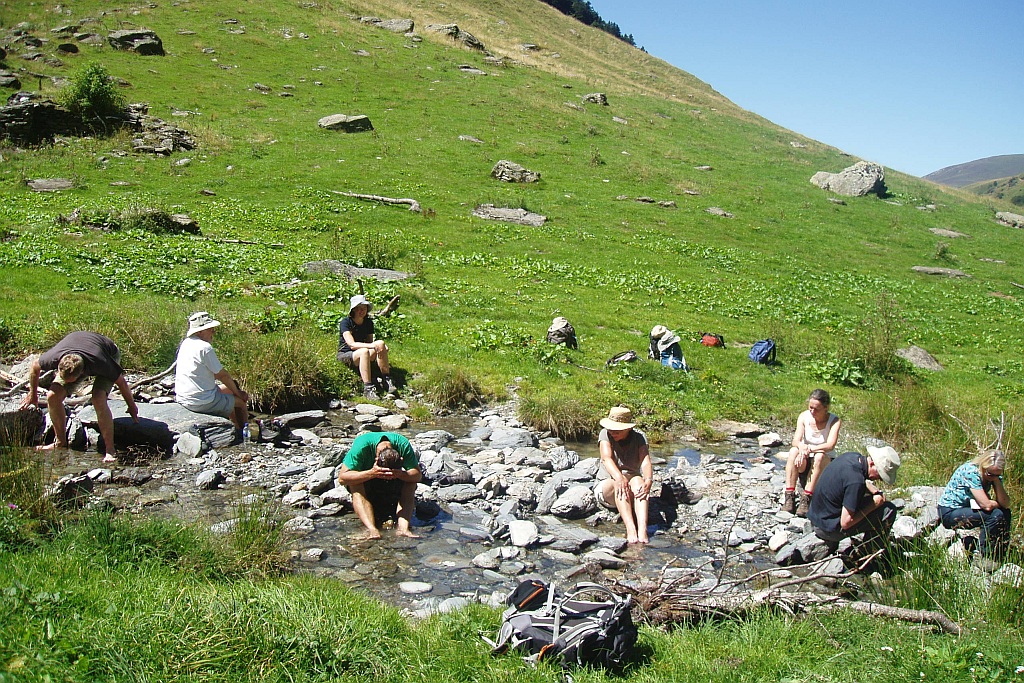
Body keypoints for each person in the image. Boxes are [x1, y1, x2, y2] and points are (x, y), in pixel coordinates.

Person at [19, 331, 139, 463]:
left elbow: (122, 383)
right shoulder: (55, 357)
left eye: (71, 381)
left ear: (82, 373)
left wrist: (132, 406)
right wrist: (33, 395)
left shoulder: (101, 362)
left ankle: (110, 450)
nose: (68, 385)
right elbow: (34, 367)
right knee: (52, 396)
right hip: (75, 348)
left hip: (108, 352)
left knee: (98, 398)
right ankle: (60, 442)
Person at [808, 445, 901, 557]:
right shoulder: (856, 482)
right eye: (880, 475)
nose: (879, 479)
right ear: (872, 464)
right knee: (888, 510)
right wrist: (874, 504)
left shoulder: (852, 457)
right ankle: (868, 554)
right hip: (827, 530)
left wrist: (875, 492)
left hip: (816, 518)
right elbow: (846, 523)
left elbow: (856, 481)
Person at [336, 431, 422, 540]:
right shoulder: (362, 446)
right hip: (368, 480)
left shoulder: (403, 445)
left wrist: (401, 474)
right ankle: (372, 530)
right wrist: (372, 473)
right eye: (385, 473)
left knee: (411, 483)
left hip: (394, 484)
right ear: (376, 459)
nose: (386, 476)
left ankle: (403, 528)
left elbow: (417, 476)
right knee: (355, 485)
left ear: (401, 460)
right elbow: (342, 478)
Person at [174, 312, 249, 434]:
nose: (213, 332)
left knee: (228, 389)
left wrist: (233, 390)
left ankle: (233, 425)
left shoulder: (186, 343)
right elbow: (222, 375)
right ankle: (244, 433)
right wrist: (239, 393)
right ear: (200, 331)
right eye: (210, 329)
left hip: (183, 397)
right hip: (200, 401)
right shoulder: (205, 348)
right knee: (240, 403)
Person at [594, 406, 654, 544]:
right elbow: (606, 458)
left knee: (639, 481)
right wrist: (619, 477)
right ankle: (631, 529)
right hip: (607, 487)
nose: (612, 432)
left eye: (617, 430)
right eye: (611, 429)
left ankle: (642, 530)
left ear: (627, 428)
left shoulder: (639, 437)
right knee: (618, 482)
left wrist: (649, 480)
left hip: (631, 486)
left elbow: (645, 461)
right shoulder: (605, 434)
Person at [937, 450, 1011, 561]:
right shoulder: (971, 472)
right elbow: (986, 505)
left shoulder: (994, 476)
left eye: (997, 474)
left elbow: (1005, 503)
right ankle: (985, 555)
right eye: (990, 474)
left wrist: (996, 481)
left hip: (968, 508)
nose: (992, 477)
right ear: (983, 466)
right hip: (950, 512)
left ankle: (1000, 551)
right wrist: (996, 504)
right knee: (995, 514)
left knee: (1005, 513)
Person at [782, 389, 842, 517]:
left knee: (820, 455)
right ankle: (789, 496)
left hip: (824, 461)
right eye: (810, 407)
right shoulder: (804, 416)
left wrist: (809, 449)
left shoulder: (834, 421)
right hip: (805, 459)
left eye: (817, 409)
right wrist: (801, 447)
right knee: (793, 451)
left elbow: (830, 445)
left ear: (826, 408)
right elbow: (795, 441)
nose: (812, 411)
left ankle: (807, 498)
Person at [337, 294, 394, 399]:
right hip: (347, 354)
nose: (361, 311)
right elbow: (352, 345)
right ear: (353, 310)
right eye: (358, 308)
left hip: (364, 353)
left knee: (380, 343)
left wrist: (380, 349)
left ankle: (387, 379)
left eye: (364, 308)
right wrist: (372, 346)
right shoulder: (345, 322)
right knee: (364, 351)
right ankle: (368, 387)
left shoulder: (368, 323)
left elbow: (370, 342)